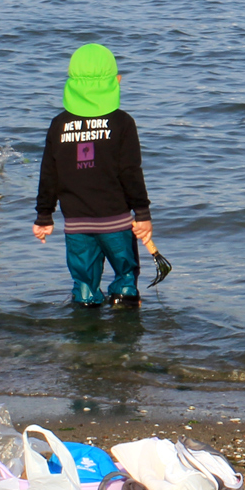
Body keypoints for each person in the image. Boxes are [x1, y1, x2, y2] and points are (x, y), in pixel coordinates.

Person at [31, 44, 153, 309]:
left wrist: (44, 215)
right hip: (116, 222)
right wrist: (142, 213)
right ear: (115, 81)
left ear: (72, 84)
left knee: (84, 286)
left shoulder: (59, 124)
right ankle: (126, 334)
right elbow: (130, 171)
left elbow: (48, 174)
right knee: (125, 280)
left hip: (76, 224)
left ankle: (84, 337)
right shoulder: (122, 123)